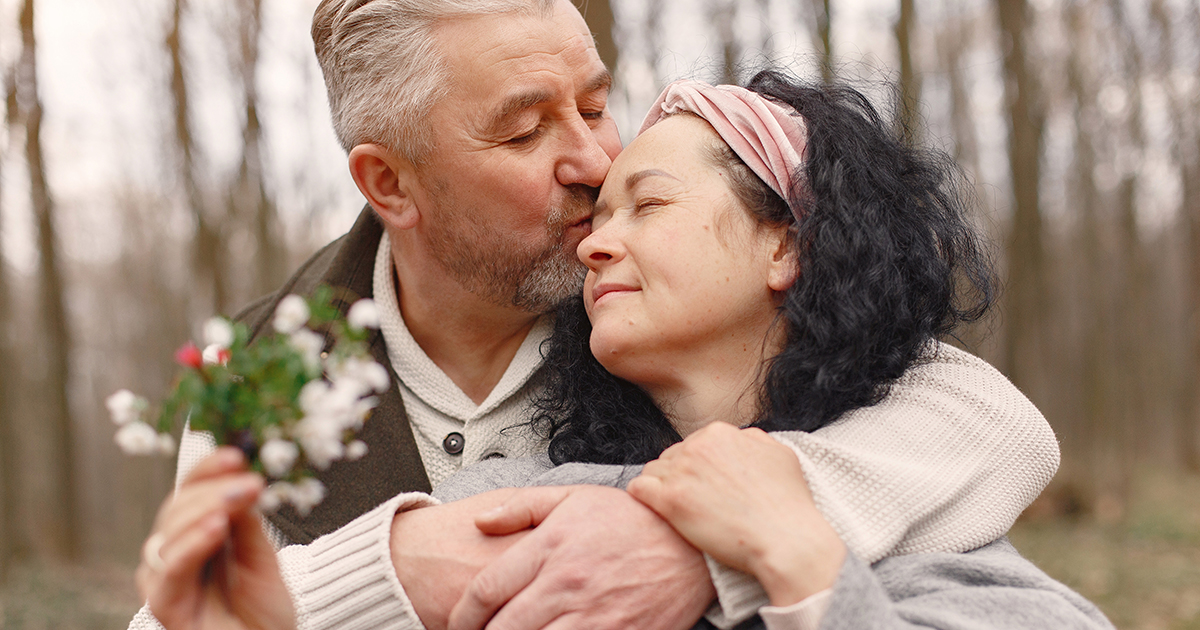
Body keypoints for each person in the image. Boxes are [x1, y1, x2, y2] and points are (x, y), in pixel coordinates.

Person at [129, 1, 1062, 629]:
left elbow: (994, 427)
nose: (593, 160)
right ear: (390, 183)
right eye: (525, 129)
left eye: (595, 103)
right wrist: (397, 568)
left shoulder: (653, 313)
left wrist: (712, 542)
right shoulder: (261, 370)